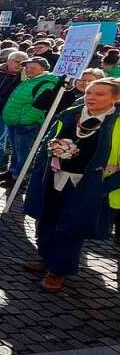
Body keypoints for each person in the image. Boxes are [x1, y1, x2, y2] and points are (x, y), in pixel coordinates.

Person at [23, 78, 120, 292]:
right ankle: (47, 257)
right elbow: (48, 141)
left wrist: (107, 185)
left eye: (100, 94)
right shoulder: (70, 113)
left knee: (72, 226)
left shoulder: (117, 123)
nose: (91, 97)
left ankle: (59, 270)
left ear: (116, 98)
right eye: (90, 92)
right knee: (46, 218)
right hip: (55, 178)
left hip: (90, 186)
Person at [0, 56, 59, 189]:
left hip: (26, 125)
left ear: (43, 69)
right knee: (16, 150)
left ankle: (20, 179)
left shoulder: (46, 83)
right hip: (16, 122)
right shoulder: (30, 80)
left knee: (23, 153)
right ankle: (13, 172)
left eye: (33, 67)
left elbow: (39, 106)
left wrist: (25, 120)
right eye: (27, 67)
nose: (28, 70)